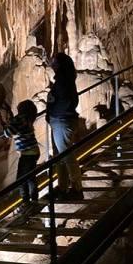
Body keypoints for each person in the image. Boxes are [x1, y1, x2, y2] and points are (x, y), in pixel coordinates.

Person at [46, 53, 83, 200]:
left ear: (60, 64)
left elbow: (67, 102)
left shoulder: (63, 81)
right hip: (59, 120)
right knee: (59, 156)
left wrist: (53, 111)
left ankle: (77, 189)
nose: (52, 64)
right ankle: (62, 186)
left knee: (66, 156)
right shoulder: (64, 80)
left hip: (61, 120)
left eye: (54, 62)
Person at [3, 100, 40, 208]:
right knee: (30, 177)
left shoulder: (18, 119)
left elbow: (7, 133)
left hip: (27, 153)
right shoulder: (28, 118)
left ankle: (27, 201)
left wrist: (6, 125)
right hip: (33, 151)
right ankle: (33, 200)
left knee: (21, 179)